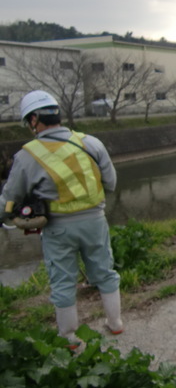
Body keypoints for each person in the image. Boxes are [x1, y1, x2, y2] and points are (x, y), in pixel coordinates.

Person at [0, 90, 123, 343]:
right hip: (95, 222)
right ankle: (116, 323)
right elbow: (110, 183)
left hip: (57, 229)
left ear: (34, 120)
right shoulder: (91, 142)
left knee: (63, 281)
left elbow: (10, 199)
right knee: (105, 272)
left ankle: (69, 338)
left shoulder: (26, 156)